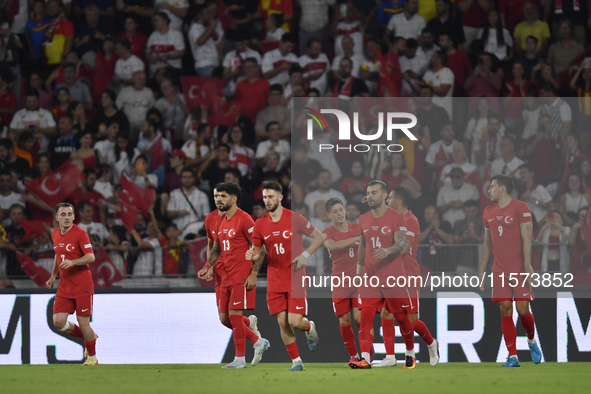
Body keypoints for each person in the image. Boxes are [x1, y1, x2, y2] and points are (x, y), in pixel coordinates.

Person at [246, 182, 324, 371]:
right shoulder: (260, 224)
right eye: (265, 197)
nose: (267, 200)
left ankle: (309, 328)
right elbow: (258, 252)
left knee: (295, 321)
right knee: (282, 322)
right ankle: (296, 361)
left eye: (271, 196)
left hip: (295, 276)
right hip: (274, 279)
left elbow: (319, 237)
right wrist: (253, 256)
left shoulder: (294, 218)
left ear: (281, 197)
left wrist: (305, 255)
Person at [197, 182, 269, 369]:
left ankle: (239, 360)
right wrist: (208, 265)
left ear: (234, 198)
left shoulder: (245, 220)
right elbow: (216, 248)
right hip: (225, 273)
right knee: (224, 319)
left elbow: (259, 248)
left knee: (235, 317)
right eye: (216, 196)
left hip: (241, 274)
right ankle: (258, 341)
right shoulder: (219, 221)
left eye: (222, 196)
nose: (218, 200)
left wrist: (253, 274)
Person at [349, 180, 416, 369]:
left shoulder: (396, 217)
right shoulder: (363, 219)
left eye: (374, 193)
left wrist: (388, 250)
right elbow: (363, 246)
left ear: (385, 195)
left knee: (402, 318)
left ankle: (410, 353)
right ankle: (365, 359)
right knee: (366, 316)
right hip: (370, 276)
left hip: (393, 275)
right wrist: (358, 271)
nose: (370, 196)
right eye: (368, 193)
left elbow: (401, 243)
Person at [478, 174, 542, 367]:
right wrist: (481, 270)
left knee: (522, 310)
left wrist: (528, 265)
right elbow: (487, 244)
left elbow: (527, 238)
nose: (489, 190)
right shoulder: (488, 212)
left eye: (492, 187)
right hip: (499, 270)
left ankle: (531, 340)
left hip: (519, 269)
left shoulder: (521, 207)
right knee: (505, 310)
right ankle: (512, 356)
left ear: (502, 189)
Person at [376, 185, 439, 367]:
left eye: (390, 198)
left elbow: (404, 248)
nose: (387, 201)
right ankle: (390, 357)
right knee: (386, 313)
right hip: (391, 275)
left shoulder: (410, 220)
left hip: (408, 275)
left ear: (398, 201)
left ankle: (431, 343)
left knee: (410, 319)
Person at [46, 202, 98, 365]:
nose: (67, 218)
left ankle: (92, 358)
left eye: (70, 214)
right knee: (58, 322)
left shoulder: (80, 233)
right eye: (63, 214)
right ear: (57, 218)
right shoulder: (55, 234)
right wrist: (53, 275)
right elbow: (58, 254)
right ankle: (90, 337)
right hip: (64, 285)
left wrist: (74, 262)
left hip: (82, 284)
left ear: (74, 216)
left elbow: (91, 257)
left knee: (84, 323)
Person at [322, 198, 362, 364]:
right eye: (335, 211)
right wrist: (355, 240)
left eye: (341, 209)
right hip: (340, 282)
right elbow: (332, 246)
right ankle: (354, 355)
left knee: (360, 318)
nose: (339, 213)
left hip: (360, 280)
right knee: (345, 320)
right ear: (329, 214)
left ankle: (367, 351)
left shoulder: (358, 228)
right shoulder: (327, 232)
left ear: (345, 210)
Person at [166, 167, 210, 236]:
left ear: (193, 179)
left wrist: (192, 224)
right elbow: (169, 214)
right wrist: (179, 212)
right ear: (181, 179)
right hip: (177, 230)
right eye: (185, 177)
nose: (187, 180)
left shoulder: (202, 195)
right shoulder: (174, 194)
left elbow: (207, 217)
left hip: (195, 230)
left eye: (189, 177)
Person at [145, 12, 185, 77]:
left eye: (157, 20)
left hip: (172, 71)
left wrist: (168, 56)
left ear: (165, 21)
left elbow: (181, 52)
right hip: (156, 72)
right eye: (154, 21)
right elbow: (147, 53)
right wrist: (150, 57)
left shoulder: (176, 34)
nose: (155, 23)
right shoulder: (152, 36)